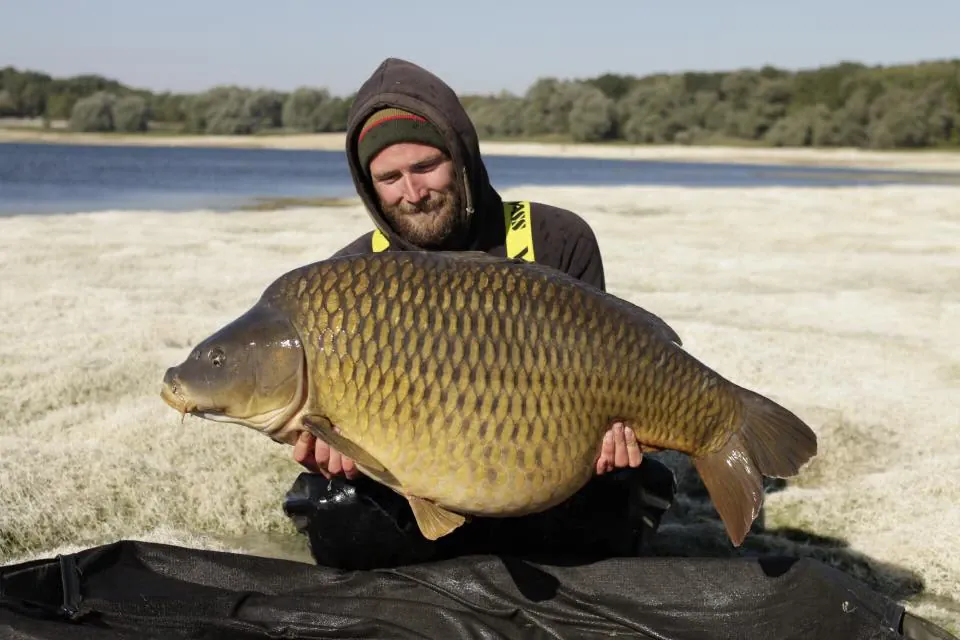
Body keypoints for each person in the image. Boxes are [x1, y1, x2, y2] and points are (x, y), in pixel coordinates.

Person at [282, 57, 677, 570]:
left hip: (544, 474)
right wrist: (340, 458)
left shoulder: (556, 237)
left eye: (426, 167)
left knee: (623, 487)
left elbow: (605, 369)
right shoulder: (350, 281)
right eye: (390, 177)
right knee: (329, 506)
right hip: (419, 488)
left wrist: (609, 442)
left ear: (463, 156)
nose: (413, 192)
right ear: (368, 184)